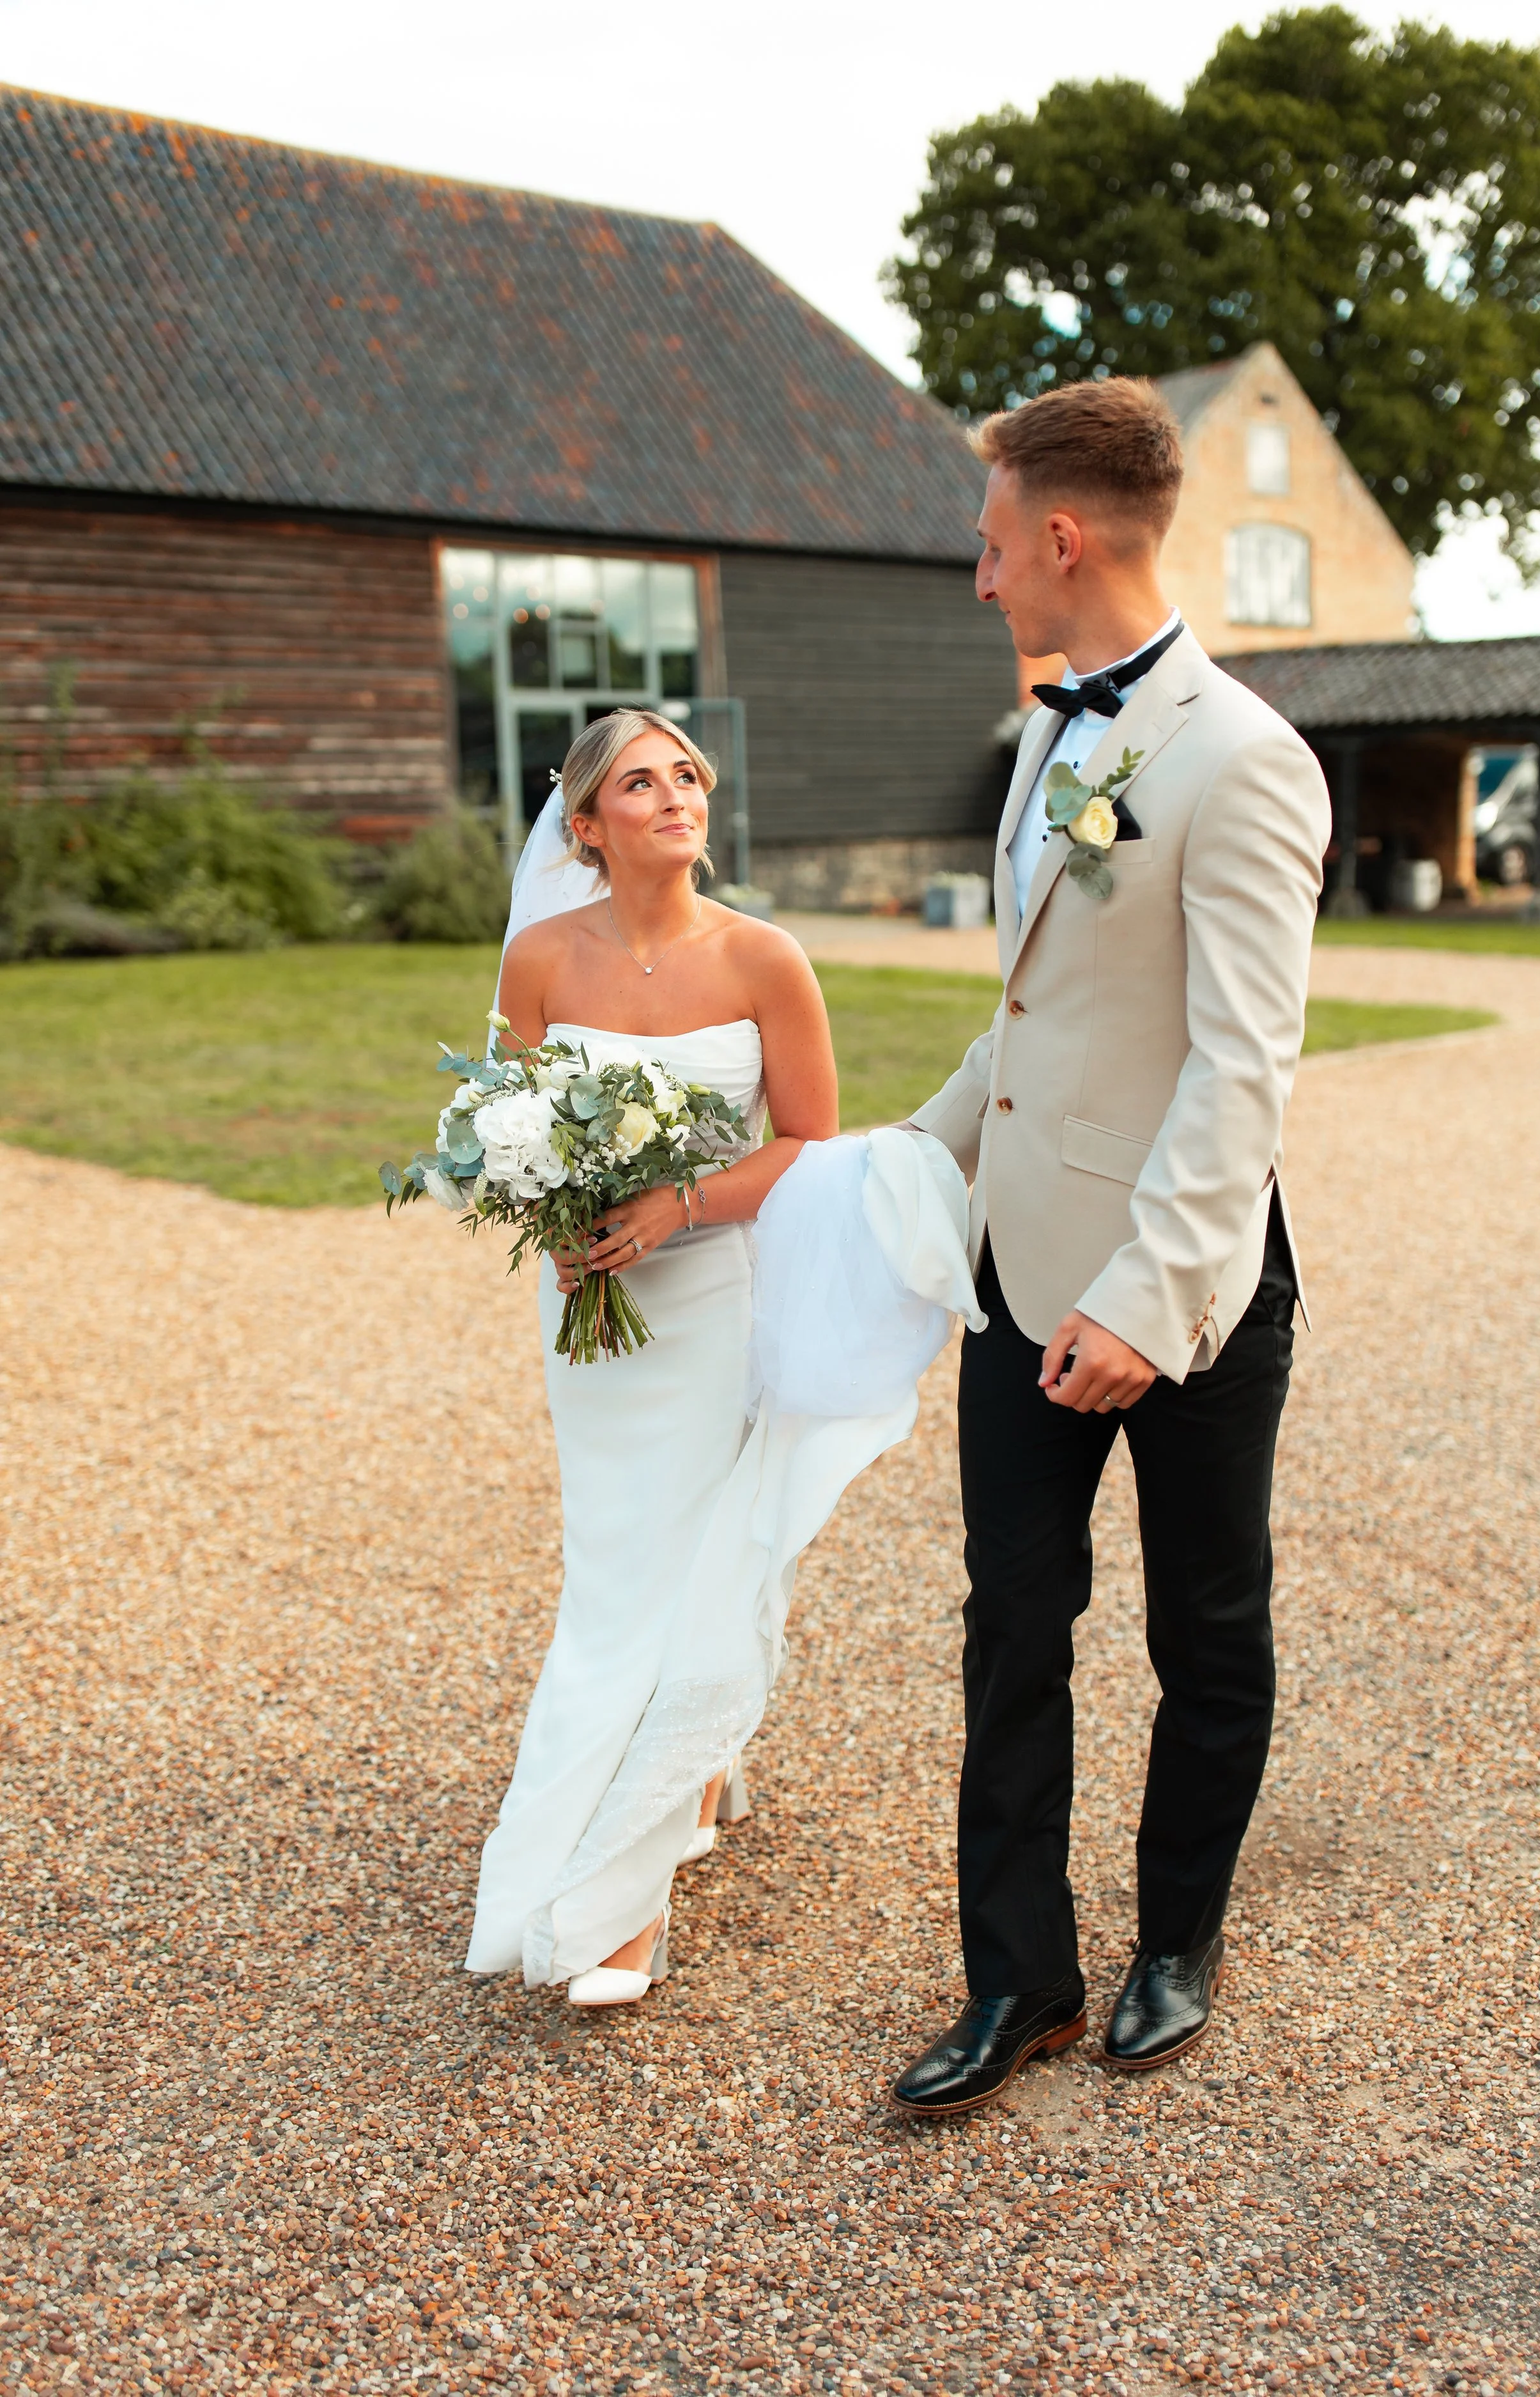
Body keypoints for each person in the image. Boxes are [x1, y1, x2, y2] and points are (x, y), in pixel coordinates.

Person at [889, 378, 1331, 2118]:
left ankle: (1177, 1937)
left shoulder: (1243, 758)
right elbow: (1039, 1018)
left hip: (1192, 1293)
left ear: (1062, 537)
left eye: (991, 542)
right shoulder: (1051, 740)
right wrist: (894, 1159)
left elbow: (1242, 1065)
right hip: (1019, 1270)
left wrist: (1146, 1299)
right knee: (1012, 1620)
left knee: (1205, 1623)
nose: (979, 574)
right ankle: (1018, 1978)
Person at [465, 708, 979, 2008]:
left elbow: (809, 1142)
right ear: (585, 825)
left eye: (686, 775)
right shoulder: (537, 958)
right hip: (589, 1307)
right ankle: (683, 1762)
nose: (676, 796)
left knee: (695, 1561)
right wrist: (564, 1215)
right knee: (615, 1563)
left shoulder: (764, 959)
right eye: (640, 782)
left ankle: (619, 1898)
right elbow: (508, 1125)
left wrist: (672, 1208)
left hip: (714, 1296)